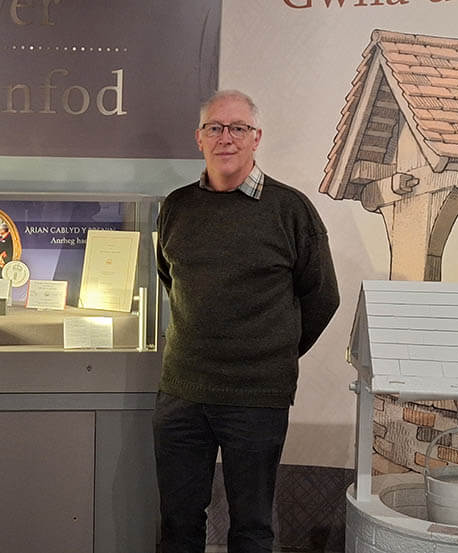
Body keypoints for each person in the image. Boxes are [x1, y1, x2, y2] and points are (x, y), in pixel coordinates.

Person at [153, 90, 339, 553]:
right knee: (178, 523)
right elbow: (170, 278)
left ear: (256, 138)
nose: (226, 138)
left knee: (252, 527)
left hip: (256, 395)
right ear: (199, 138)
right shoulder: (176, 206)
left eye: (238, 128)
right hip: (182, 392)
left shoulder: (290, 210)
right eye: (215, 127)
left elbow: (322, 297)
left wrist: (272, 350)